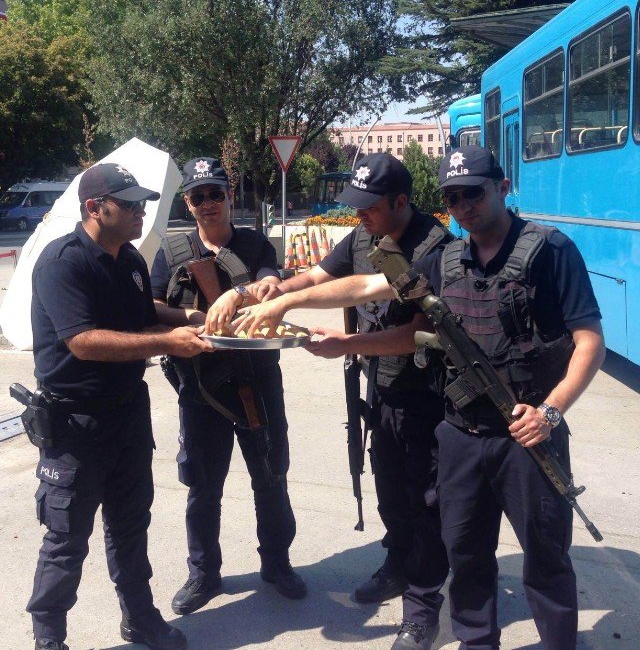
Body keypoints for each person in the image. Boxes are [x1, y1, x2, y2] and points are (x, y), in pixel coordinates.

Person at [234, 145, 606, 650]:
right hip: (460, 433)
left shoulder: (549, 250)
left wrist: (551, 411)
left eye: (473, 193)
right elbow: (369, 287)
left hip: (526, 435)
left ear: (502, 186)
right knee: (468, 556)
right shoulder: (445, 258)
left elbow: (590, 341)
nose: (463, 206)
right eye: (452, 198)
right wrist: (295, 304)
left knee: (545, 561)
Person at [222, 153, 452, 650]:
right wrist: (272, 288)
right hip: (383, 390)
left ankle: (422, 606)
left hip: (426, 395)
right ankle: (396, 564)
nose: (359, 215)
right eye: (355, 206)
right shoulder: (366, 235)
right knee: (390, 490)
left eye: (368, 207)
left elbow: (405, 326)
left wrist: (338, 341)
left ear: (401, 201)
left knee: (424, 503)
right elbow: (318, 276)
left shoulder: (434, 246)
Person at [25, 163, 213, 650]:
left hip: (128, 415)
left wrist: (189, 316)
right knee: (66, 541)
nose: (141, 212)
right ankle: (49, 639)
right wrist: (169, 343)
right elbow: (83, 341)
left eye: (143, 203)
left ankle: (140, 619)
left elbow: (141, 314)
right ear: (94, 208)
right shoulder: (62, 263)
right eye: (129, 205)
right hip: (76, 424)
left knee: (131, 526)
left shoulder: (128, 258)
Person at [149, 157, 306, 617]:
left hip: (255, 382)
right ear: (188, 203)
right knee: (202, 484)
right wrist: (193, 319)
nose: (208, 204)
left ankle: (277, 563)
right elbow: (154, 304)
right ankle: (204, 573)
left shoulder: (255, 244)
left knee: (271, 476)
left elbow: (272, 285)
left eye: (216, 193)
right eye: (198, 196)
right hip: (200, 387)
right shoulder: (172, 250)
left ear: (230, 197)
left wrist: (237, 293)